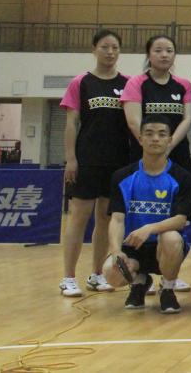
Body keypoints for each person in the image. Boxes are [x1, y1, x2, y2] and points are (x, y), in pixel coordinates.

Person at [120, 34, 191, 293]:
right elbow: (133, 121)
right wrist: (152, 145)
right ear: (148, 54)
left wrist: (168, 145)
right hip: (144, 157)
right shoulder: (136, 83)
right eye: (158, 50)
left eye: (169, 50)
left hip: (176, 155)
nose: (164, 55)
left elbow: (187, 119)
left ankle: (170, 274)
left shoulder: (183, 85)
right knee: (143, 213)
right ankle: (140, 272)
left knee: (176, 218)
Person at [59, 29, 131, 297]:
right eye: (104, 47)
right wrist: (71, 159)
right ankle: (68, 277)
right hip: (87, 160)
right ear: (94, 49)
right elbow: (71, 123)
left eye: (115, 48)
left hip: (117, 161)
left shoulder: (128, 83)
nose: (110, 52)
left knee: (105, 219)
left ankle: (97, 274)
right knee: (78, 218)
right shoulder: (81, 82)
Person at [102, 116, 191, 313]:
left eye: (162, 134)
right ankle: (139, 282)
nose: (155, 139)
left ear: (170, 140)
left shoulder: (181, 176)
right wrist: (116, 250)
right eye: (149, 134)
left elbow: (180, 220)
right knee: (111, 272)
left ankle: (167, 289)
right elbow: (117, 219)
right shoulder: (122, 177)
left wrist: (150, 228)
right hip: (133, 247)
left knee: (171, 238)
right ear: (140, 139)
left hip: (164, 247)